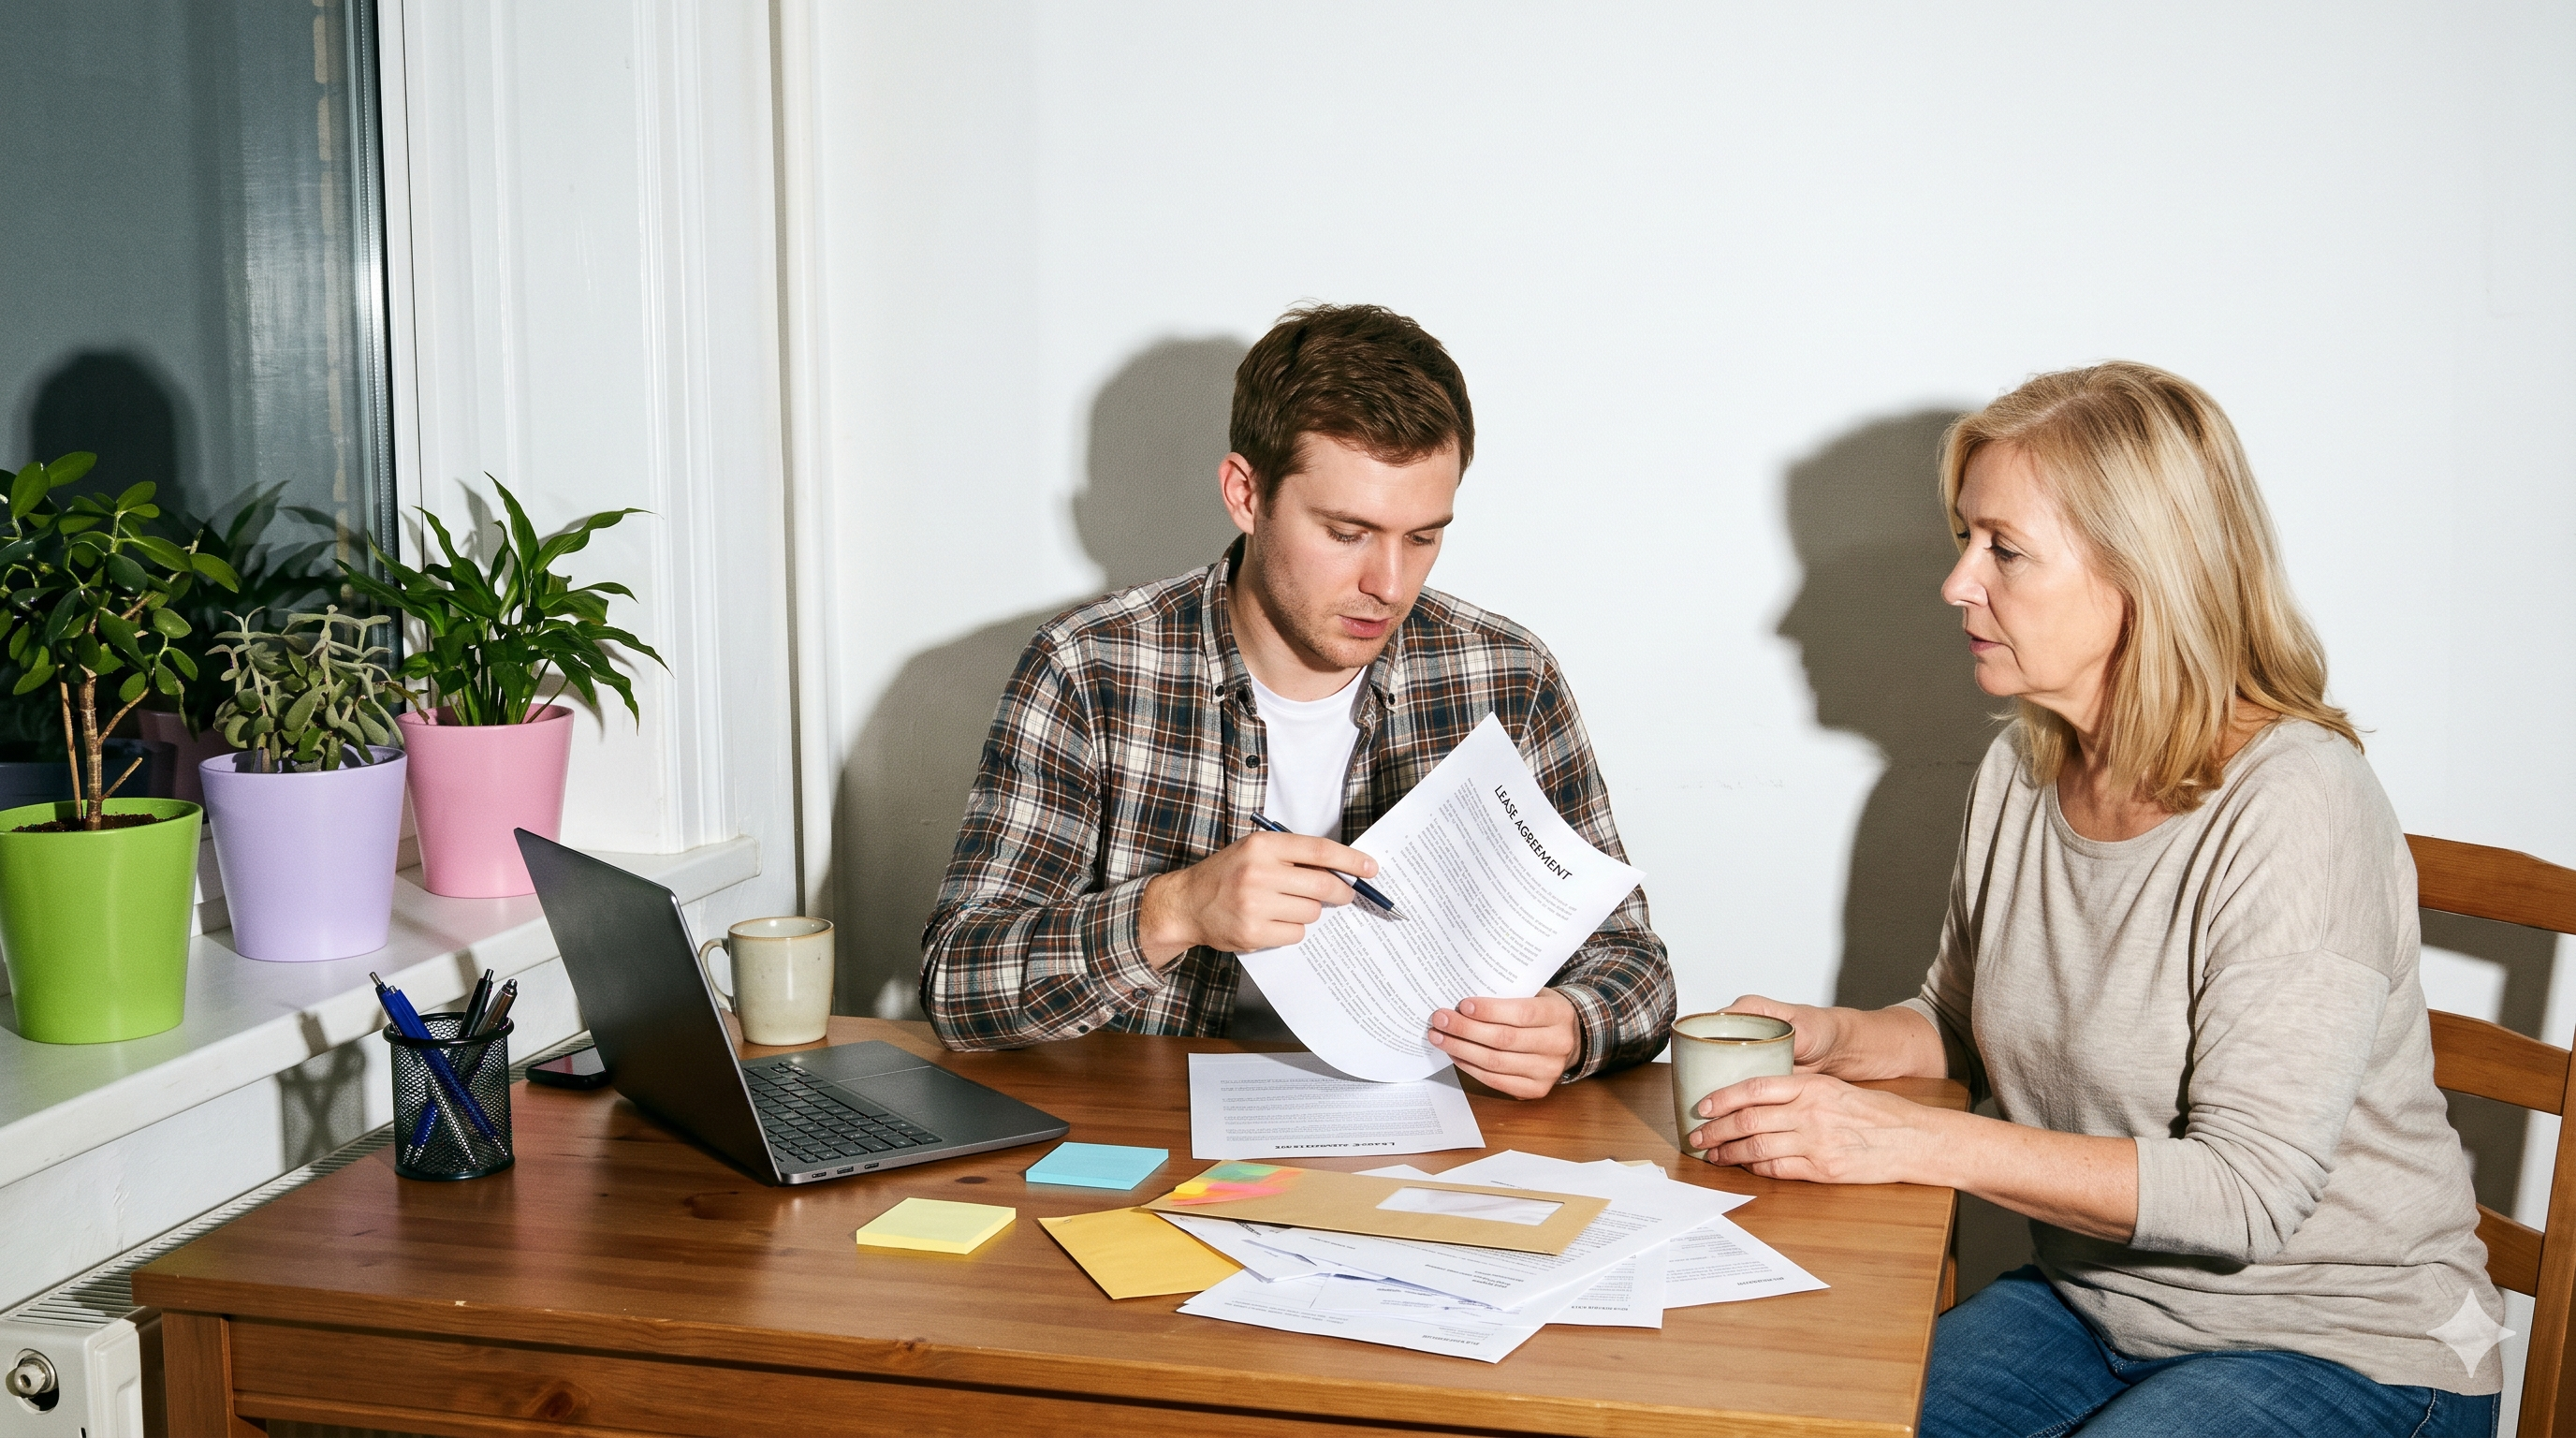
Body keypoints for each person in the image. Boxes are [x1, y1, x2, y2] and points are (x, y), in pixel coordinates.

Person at [1699, 362, 2503, 1436]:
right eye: (1964, 538)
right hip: (2100, 1308)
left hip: (2349, 1346)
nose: (1956, 584)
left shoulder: (2297, 804)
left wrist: (1899, 1140)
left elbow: (2248, 1195)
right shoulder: (2023, 770)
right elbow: (1964, 1028)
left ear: (2145, 576)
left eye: (2005, 551)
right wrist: (1838, 1039)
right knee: (1815, 1418)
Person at [920, 302, 1675, 1096]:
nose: (1389, 585)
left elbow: (1636, 967)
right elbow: (956, 985)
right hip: (1159, 1135)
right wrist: (1173, 911)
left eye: (1422, 537)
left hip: (1431, 1136)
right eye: (1347, 533)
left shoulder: (1504, 675)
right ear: (1246, 495)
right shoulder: (1092, 667)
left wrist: (1573, 1025)